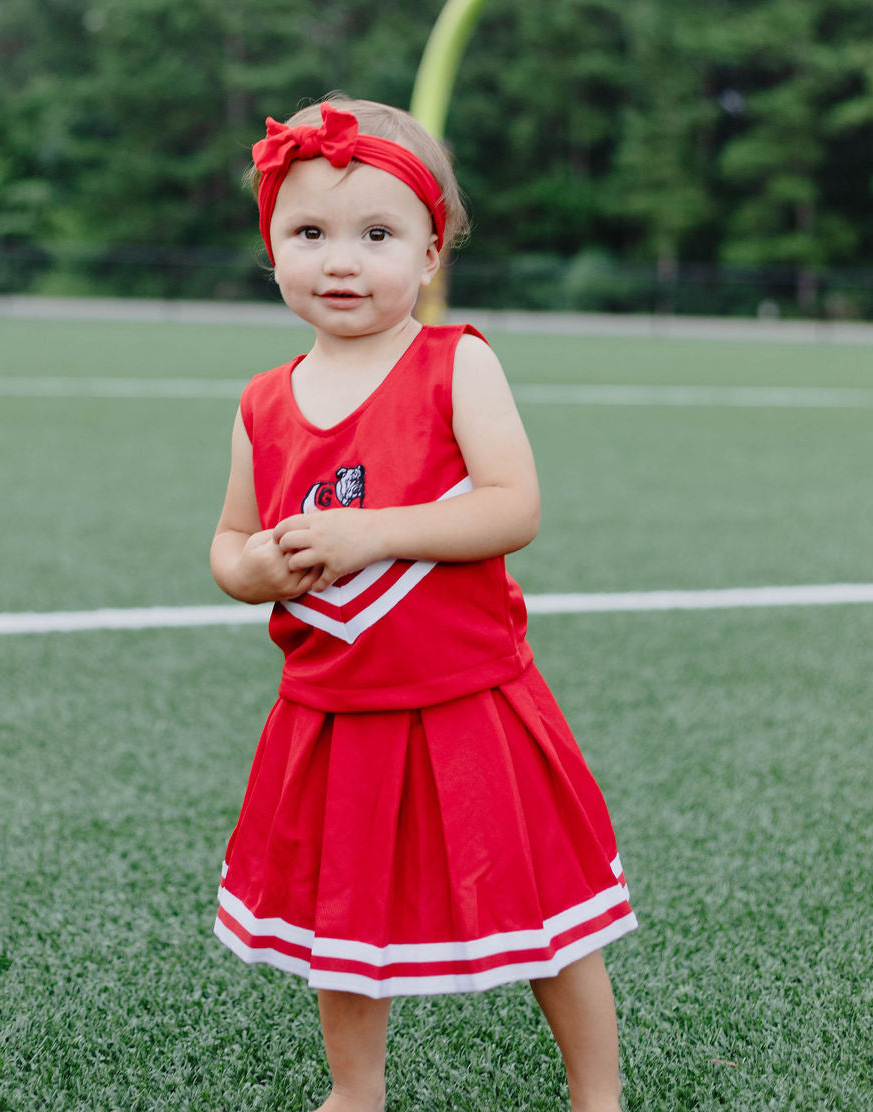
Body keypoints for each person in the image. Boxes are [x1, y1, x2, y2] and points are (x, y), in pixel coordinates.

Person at [210, 96, 637, 1112]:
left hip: (468, 702)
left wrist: (375, 531)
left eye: (377, 234)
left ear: (430, 251)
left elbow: (512, 507)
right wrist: (255, 570)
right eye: (308, 233)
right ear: (271, 247)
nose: (341, 261)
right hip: (331, 717)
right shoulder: (263, 402)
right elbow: (228, 544)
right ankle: (356, 1091)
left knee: (549, 914)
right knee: (339, 929)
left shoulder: (457, 365)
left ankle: (598, 1092)